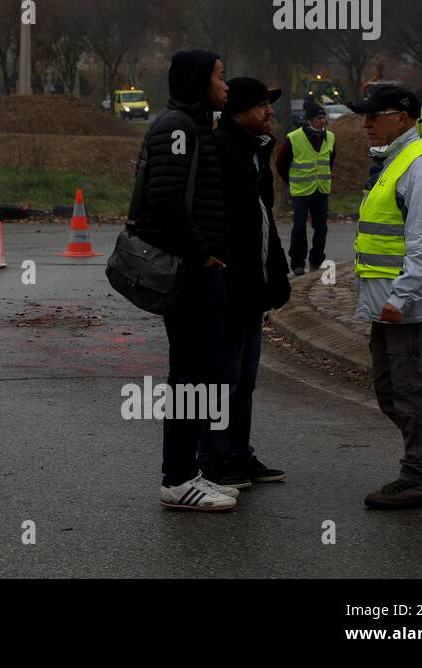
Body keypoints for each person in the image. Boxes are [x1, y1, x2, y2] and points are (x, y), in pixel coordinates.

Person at [135, 49, 234, 511]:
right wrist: (203, 255)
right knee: (190, 375)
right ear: (199, 81)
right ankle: (177, 478)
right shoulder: (177, 127)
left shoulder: (195, 126)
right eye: (219, 75)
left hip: (201, 271)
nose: (226, 83)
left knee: (199, 373)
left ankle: (188, 472)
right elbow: (167, 199)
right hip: (190, 273)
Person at [348, 85, 422, 509]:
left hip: (405, 307)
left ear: (404, 118)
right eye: (366, 116)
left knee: (410, 393)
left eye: (376, 115)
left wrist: (403, 297)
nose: (367, 124)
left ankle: (418, 478)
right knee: (391, 393)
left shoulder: (421, 168)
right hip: (388, 305)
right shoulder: (395, 162)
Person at [201, 78, 292, 490]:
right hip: (228, 288)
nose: (269, 112)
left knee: (246, 377)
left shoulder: (255, 152)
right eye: (261, 106)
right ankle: (215, 460)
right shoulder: (220, 151)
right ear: (238, 111)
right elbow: (217, 224)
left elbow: (263, 224)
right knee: (223, 377)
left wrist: (276, 275)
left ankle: (239, 453)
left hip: (252, 288)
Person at [277, 99, 335, 275]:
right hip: (301, 191)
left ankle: (317, 259)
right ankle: (297, 263)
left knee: (321, 227)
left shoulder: (330, 137)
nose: (322, 120)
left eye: (323, 117)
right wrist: (291, 182)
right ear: (309, 119)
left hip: (321, 189)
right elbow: (281, 163)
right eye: (318, 117)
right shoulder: (294, 138)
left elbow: (330, 160)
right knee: (299, 227)